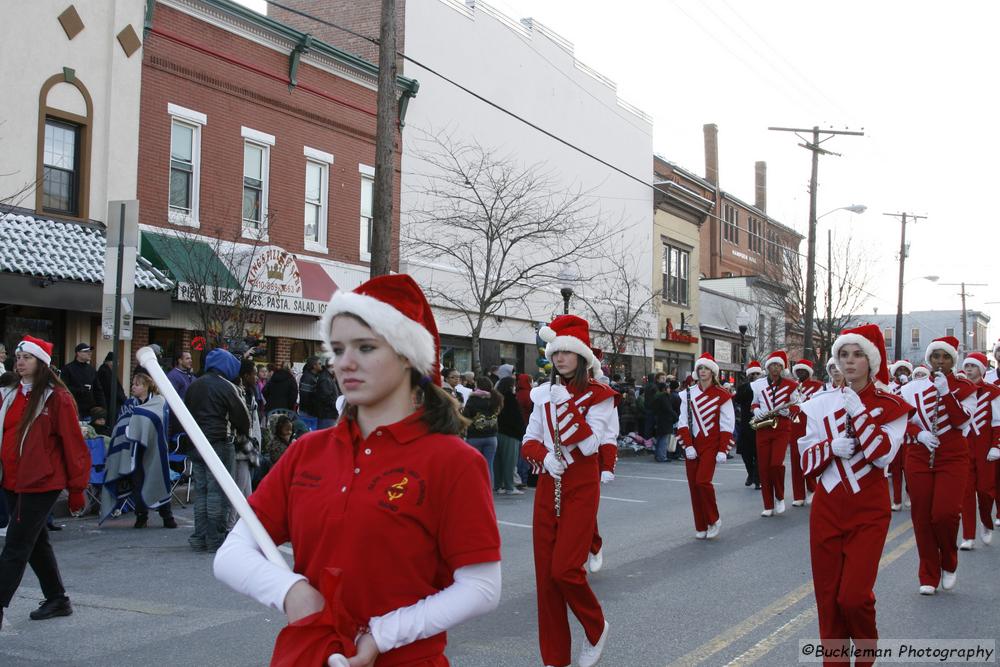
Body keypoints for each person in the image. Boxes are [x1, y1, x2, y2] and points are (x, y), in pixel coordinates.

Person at [214, 274, 501, 666]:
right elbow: (232, 554)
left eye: (365, 347)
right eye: (337, 349)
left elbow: (482, 586)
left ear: (406, 355)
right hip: (309, 655)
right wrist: (291, 591)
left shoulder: (454, 462)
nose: (344, 362)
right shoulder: (307, 451)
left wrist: (383, 635)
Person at [797, 324, 912, 667]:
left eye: (858, 354)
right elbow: (805, 461)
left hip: (868, 509)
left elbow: (881, 455)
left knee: (854, 597)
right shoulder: (819, 404)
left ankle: (865, 657)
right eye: (843, 354)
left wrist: (859, 413)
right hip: (828, 507)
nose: (849, 362)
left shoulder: (893, 405)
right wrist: (830, 447)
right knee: (829, 599)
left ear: (871, 361)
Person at [521, 314, 615, 667]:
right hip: (549, 482)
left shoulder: (600, 396)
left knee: (565, 571)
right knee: (546, 583)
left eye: (566, 352)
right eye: (554, 352)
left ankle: (596, 626)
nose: (558, 358)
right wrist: (544, 457)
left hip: (581, 484)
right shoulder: (542, 394)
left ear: (582, 357)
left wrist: (564, 405)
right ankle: (554, 660)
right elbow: (529, 440)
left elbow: (591, 444)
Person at [0, 336, 89, 627]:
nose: (20, 361)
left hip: (41, 483)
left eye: (27, 356)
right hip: (12, 480)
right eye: (18, 356)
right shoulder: (11, 393)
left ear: (42, 362)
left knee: (15, 545)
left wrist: (77, 489)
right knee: (35, 541)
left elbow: (74, 445)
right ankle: (57, 598)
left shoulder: (56, 398)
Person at [900, 336, 976, 594]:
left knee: (944, 513)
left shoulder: (965, 387)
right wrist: (918, 434)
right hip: (919, 455)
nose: (940, 362)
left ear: (953, 360)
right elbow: (900, 422)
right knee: (921, 516)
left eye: (945, 357)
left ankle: (949, 562)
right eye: (935, 357)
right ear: (929, 359)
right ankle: (928, 573)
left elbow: (962, 422)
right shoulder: (912, 388)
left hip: (952, 456)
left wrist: (945, 392)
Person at [184, 348, 250, 553]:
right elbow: (243, 419)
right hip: (219, 441)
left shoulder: (194, 385)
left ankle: (199, 536)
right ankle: (215, 538)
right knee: (218, 492)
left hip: (196, 443)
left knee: (202, 490)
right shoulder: (226, 387)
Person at [101, 371, 176, 528]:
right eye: (133, 384)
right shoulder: (129, 404)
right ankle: (141, 515)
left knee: (159, 479)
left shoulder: (159, 401)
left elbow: (160, 423)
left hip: (155, 450)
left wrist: (138, 418)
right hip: (133, 450)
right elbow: (121, 425)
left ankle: (167, 516)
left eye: (137, 384)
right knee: (138, 482)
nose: (133, 387)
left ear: (147, 386)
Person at [675, 353, 734, 540]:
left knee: (702, 481)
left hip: (712, 445)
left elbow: (727, 424)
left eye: (706, 368)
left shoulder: (722, 395)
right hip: (693, 444)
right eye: (700, 368)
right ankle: (700, 525)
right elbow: (683, 422)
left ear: (713, 372)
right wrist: (687, 446)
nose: (702, 371)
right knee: (694, 486)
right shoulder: (687, 394)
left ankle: (713, 519)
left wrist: (724, 449)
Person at [750, 350, 801, 517]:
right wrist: (756, 410)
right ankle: (768, 504)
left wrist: (789, 412)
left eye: (778, 365)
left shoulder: (791, 385)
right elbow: (754, 403)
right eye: (772, 365)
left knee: (776, 464)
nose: (775, 368)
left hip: (782, 427)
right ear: (768, 367)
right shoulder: (758, 385)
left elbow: (797, 405)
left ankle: (779, 496)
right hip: (763, 427)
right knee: (764, 467)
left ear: (783, 367)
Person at [958, 353, 999, 549]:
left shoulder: (993, 392)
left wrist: (996, 446)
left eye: (973, 366)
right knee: (966, 493)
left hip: (985, 449)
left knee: (985, 491)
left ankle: (986, 522)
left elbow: (998, 422)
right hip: (964, 449)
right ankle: (968, 536)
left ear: (981, 369)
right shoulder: (958, 390)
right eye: (967, 366)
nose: (968, 369)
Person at [788, 359, 824, 507]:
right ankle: (798, 495)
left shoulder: (818, 386)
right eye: (798, 371)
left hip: (810, 425)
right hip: (795, 426)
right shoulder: (791, 387)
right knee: (795, 460)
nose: (800, 373)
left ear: (808, 372)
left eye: (803, 371)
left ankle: (812, 488)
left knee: (809, 458)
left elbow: (820, 404)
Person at [463, 376, 503, 488]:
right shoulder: (495, 398)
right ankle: (488, 489)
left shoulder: (473, 399)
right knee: (488, 464)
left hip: (474, 437)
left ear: (477, 386)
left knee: (474, 465)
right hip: (491, 437)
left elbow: (466, 416)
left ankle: (475, 488)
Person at [887, 359, 914, 510]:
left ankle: (909, 494)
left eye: (904, 370)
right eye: (899, 370)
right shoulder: (890, 388)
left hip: (909, 432)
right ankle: (896, 500)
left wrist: (906, 385)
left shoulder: (911, 387)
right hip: (895, 431)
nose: (901, 373)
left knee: (908, 468)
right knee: (896, 468)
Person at [495, 376, 526, 495]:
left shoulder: (497, 397)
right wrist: (522, 431)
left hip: (498, 432)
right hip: (511, 434)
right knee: (510, 462)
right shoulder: (511, 399)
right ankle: (509, 486)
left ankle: (498, 486)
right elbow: (516, 418)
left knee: (498, 462)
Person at [735, 360, 763, 489]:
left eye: (757, 373)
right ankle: (750, 474)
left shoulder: (764, 387)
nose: (754, 376)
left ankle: (758, 479)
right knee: (745, 453)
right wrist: (749, 386)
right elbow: (737, 399)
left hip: (761, 423)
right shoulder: (744, 387)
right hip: (746, 424)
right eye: (752, 374)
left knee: (759, 454)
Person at [61, 342, 105, 419]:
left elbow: (98, 389)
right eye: (86, 351)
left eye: (90, 351)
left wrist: (102, 406)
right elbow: (63, 388)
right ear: (78, 353)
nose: (89, 353)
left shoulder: (91, 369)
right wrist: (80, 390)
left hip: (90, 411)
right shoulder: (68, 369)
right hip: (73, 409)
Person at [651, 381, 678, 463]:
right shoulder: (664, 397)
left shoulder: (657, 396)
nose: (670, 389)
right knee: (664, 439)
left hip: (659, 419)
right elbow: (668, 408)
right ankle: (662, 457)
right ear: (664, 389)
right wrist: (675, 416)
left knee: (660, 438)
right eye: (668, 388)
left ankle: (658, 455)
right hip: (665, 420)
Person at [96, 351, 127, 418]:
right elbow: (112, 389)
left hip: (111, 403)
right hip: (111, 404)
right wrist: (123, 400)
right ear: (109, 362)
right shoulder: (105, 372)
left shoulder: (107, 371)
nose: (118, 364)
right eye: (116, 361)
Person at [313, 358, 340, 429]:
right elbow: (327, 398)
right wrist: (337, 407)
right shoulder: (325, 379)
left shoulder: (329, 378)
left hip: (329, 415)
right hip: (327, 416)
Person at [297, 356, 322, 422]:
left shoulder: (314, 376)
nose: (321, 365)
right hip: (308, 413)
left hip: (311, 412)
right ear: (314, 366)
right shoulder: (307, 378)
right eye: (319, 363)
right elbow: (305, 396)